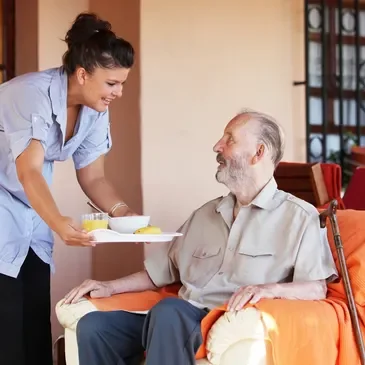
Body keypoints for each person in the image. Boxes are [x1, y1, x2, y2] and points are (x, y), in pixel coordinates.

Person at [64, 109, 338, 365]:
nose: (217, 146)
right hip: (177, 320)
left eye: (229, 139)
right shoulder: (205, 214)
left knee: (169, 311)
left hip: (227, 320)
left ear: (258, 152)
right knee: (94, 327)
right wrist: (109, 287)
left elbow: (315, 288)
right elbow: (159, 272)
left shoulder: (299, 217)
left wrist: (269, 290)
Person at [0, 12, 138, 365]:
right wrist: (61, 223)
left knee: (34, 327)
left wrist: (126, 217)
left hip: (31, 212)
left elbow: (93, 178)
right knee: (6, 334)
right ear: (82, 74)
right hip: (9, 206)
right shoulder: (29, 94)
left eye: (122, 83)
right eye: (112, 83)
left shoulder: (94, 109)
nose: (118, 92)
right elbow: (29, 171)